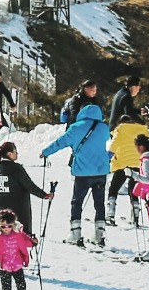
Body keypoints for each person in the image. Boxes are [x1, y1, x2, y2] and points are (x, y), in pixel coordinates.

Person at [40, 96, 113, 248]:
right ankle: (99, 235)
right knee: (99, 204)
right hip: (101, 172)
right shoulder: (104, 127)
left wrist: (45, 152)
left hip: (82, 172)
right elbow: (106, 142)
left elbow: (60, 143)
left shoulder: (75, 128)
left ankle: (75, 233)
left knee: (77, 203)